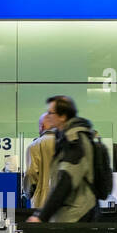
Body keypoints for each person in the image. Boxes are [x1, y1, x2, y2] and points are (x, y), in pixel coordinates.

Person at [28, 95, 98, 224]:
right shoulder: (65, 138)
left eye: (51, 113)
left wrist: (42, 216)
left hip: (76, 214)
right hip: (72, 210)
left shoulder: (74, 140)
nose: (48, 116)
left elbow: (66, 181)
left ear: (63, 116)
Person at [24, 113, 56, 209]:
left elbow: (31, 173)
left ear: (42, 126)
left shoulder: (35, 145)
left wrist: (28, 193)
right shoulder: (68, 144)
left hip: (43, 203)